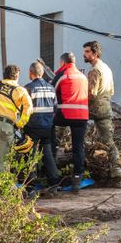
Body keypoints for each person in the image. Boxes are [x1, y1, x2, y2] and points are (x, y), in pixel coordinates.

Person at [83, 41, 121, 188]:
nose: (85, 54)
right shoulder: (107, 68)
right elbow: (112, 91)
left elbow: (91, 93)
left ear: (95, 54)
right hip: (106, 109)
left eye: (87, 52)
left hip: (93, 109)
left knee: (79, 136)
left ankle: (82, 172)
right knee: (109, 142)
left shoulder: (94, 70)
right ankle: (117, 174)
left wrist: (81, 103)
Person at [51, 52, 89, 192]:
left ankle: (51, 172)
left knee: (49, 129)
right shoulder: (82, 76)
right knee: (78, 148)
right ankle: (77, 181)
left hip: (65, 114)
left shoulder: (63, 74)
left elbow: (51, 91)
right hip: (82, 116)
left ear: (63, 63)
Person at [23, 62, 60, 188]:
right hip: (47, 126)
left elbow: (24, 107)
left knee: (30, 154)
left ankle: (30, 184)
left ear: (30, 73)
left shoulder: (28, 88)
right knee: (47, 153)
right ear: (42, 73)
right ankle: (54, 181)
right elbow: (55, 107)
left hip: (32, 126)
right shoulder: (51, 88)